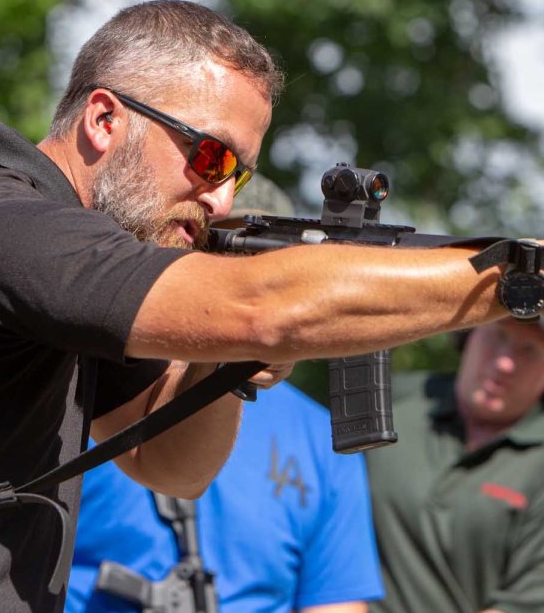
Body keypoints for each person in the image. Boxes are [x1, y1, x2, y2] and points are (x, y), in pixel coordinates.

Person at [0, 0, 544, 612]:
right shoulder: (0, 221)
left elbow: (169, 464)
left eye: (239, 174)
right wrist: (533, 280)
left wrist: (234, 360)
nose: (221, 201)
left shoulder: (64, 266)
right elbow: (264, 305)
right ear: (105, 119)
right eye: (211, 159)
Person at [66, 175, 384, 613]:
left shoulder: (321, 436)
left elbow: (336, 602)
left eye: (259, 257)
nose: (235, 276)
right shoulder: (82, 384)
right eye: (219, 248)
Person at [365, 317, 544, 613]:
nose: (505, 362)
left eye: (530, 350)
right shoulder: (387, 403)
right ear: (468, 334)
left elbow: (530, 605)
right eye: (497, 336)